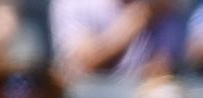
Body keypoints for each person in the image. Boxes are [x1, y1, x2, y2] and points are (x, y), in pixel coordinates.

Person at [53, 0, 185, 78]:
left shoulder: (165, 9)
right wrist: (139, 17)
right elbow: (85, 63)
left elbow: (161, 70)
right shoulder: (75, 3)